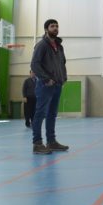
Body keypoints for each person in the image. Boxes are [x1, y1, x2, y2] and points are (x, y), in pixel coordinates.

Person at [30, 19, 70, 154]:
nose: (55, 28)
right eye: (52, 26)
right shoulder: (41, 45)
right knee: (40, 113)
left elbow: (62, 63)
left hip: (57, 84)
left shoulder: (59, 46)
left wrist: (63, 78)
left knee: (52, 114)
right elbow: (35, 64)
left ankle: (51, 142)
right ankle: (37, 144)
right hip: (45, 85)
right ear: (46, 29)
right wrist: (46, 79)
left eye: (57, 26)